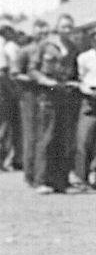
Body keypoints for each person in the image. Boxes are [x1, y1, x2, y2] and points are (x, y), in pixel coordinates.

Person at [29, 14, 79, 194]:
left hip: (64, 95)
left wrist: (74, 82)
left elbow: (74, 72)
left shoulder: (73, 48)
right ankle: (41, 180)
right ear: (57, 28)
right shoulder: (45, 45)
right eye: (64, 27)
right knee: (46, 137)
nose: (67, 30)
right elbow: (32, 69)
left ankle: (60, 181)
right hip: (48, 94)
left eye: (70, 27)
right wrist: (44, 80)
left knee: (62, 138)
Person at [73, 26, 96, 188]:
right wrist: (86, 90)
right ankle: (82, 178)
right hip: (90, 98)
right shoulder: (84, 57)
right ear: (92, 41)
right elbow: (81, 78)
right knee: (84, 139)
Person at [14, 19, 49, 185]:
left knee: (43, 134)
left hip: (46, 95)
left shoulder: (49, 51)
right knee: (31, 135)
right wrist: (33, 79)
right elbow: (15, 74)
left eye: (45, 32)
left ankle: (41, 173)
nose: (42, 35)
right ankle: (29, 175)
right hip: (29, 95)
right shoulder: (25, 51)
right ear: (33, 33)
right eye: (39, 32)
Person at [0, 22, 18, 171]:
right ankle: (6, 161)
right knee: (6, 125)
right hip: (3, 89)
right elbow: (3, 71)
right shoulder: (4, 45)